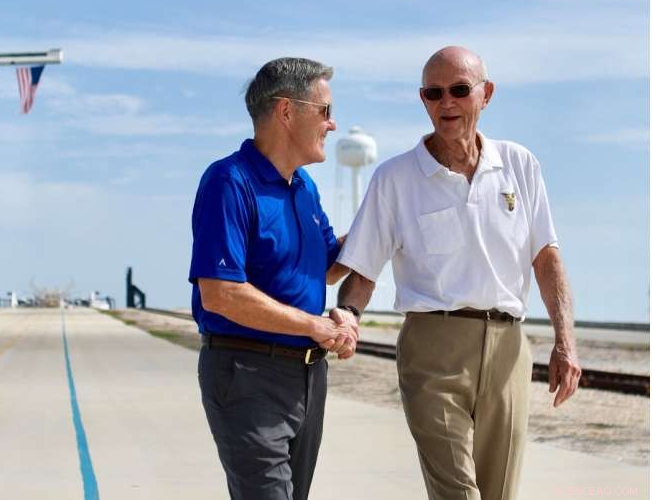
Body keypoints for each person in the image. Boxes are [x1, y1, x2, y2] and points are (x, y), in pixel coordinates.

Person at [332, 46, 581, 500]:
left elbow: (546, 258)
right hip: (433, 352)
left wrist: (565, 342)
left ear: (486, 94)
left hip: (509, 350)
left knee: (497, 492)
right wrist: (348, 314)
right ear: (423, 99)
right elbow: (364, 268)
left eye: (460, 90)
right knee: (457, 493)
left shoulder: (520, 165)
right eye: (434, 92)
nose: (446, 102)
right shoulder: (394, 178)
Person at [188, 57, 357, 500]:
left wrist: (384, 222)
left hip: (306, 379)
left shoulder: (305, 188)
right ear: (286, 111)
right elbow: (221, 293)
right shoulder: (229, 181)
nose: (333, 124)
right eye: (324, 111)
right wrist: (316, 326)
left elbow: (326, 265)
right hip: (246, 374)